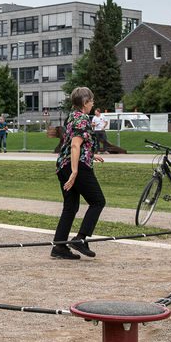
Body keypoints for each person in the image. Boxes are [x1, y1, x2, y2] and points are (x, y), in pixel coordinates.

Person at [51, 87, 105, 261]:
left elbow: (74, 143)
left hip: (63, 164)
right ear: (84, 102)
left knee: (71, 206)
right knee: (98, 201)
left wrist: (91, 153)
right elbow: (75, 145)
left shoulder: (72, 116)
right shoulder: (82, 119)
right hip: (76, 166)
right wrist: (75, 172)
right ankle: (80, 239)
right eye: (91, 101)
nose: (93, 103)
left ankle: (59, 246)